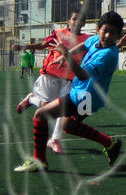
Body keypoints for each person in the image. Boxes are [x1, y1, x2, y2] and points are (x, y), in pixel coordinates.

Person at [15, 11, 126, 173]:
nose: (108, 35)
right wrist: (65, 56)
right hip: (88, 95)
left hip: (84, 96)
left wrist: (65, 54)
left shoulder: (107, 55)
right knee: (68, 126)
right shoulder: (95, 40)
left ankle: (39, 161)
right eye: (105, 31)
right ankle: (110, 143)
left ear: (118, 35)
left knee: (40, 115)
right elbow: (84, 45)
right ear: (98, 29)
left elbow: (81, 75)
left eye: (113, 33)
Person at [15, 13, 92, 155]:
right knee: (46, 107)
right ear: (69, 21)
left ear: (84, 24)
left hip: (70, 78)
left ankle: (54, 139)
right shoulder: (58, 33)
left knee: (64, 110)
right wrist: (23, 46)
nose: (77, 22)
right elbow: (43, 45)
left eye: (80, 20)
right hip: (51, 73)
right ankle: (32, 99)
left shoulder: (87, 39)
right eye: (74, 18)